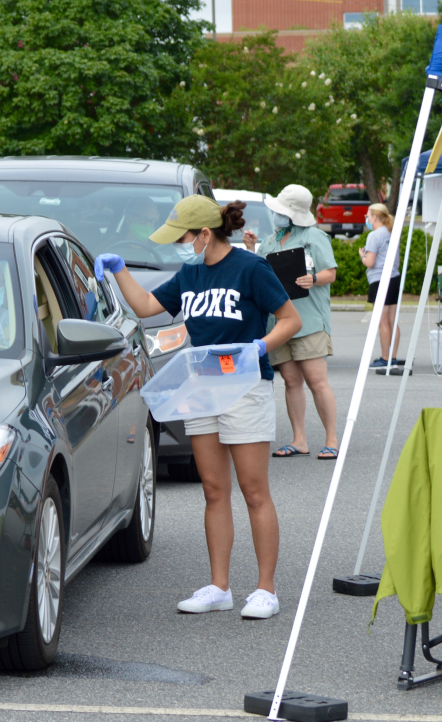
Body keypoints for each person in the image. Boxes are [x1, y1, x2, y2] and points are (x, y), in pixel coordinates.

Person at [94, 196, 302, 620]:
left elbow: (290, 319)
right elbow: (146, 307)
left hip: (245, 386)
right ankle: (219, 587)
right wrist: (119, 270)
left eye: (182, 238)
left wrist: (260, 347)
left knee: (254, 491)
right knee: (213, 490)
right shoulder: (189, 274)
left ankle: (266, 589)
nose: (179, 246)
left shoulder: (251, 268)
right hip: (203, 385)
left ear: (205, 234)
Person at [242, 184, 340, 460]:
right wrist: (251, 248)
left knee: (317, 381)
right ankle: (299, 440)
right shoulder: (270, 241)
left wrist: (314, 279)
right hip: (279, 323)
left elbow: (330, 273)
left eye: (282, 211)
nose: (277, 215)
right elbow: (259, 272)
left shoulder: (314, 237)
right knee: (291, 380)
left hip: (309, 321)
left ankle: (332, 440)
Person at [359, 203, 401, 368]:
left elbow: (370, 262)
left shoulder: (374, 235)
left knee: (382, 321)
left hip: (379, 279)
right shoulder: (391, 233)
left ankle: (385, 358)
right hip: (394, 278)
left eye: (367, 216)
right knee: (392, 321)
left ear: (375, 217)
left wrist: (362, 256)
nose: (366, 219)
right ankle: (393, 357)